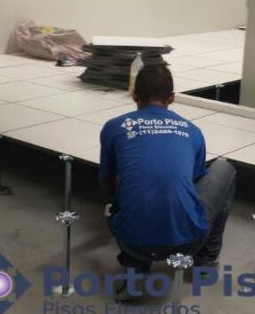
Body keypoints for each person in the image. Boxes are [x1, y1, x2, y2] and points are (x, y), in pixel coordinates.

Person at [99, 64, 236, 300]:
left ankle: (135, 271)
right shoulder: (193, 131)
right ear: (172, 98)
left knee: (131, 191)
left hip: (130, 240)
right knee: (225, 168)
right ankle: (204, 264)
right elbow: (195, 179)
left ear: (134, 96)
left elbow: (106, 183)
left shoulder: (114, 127)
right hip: (187, 242)